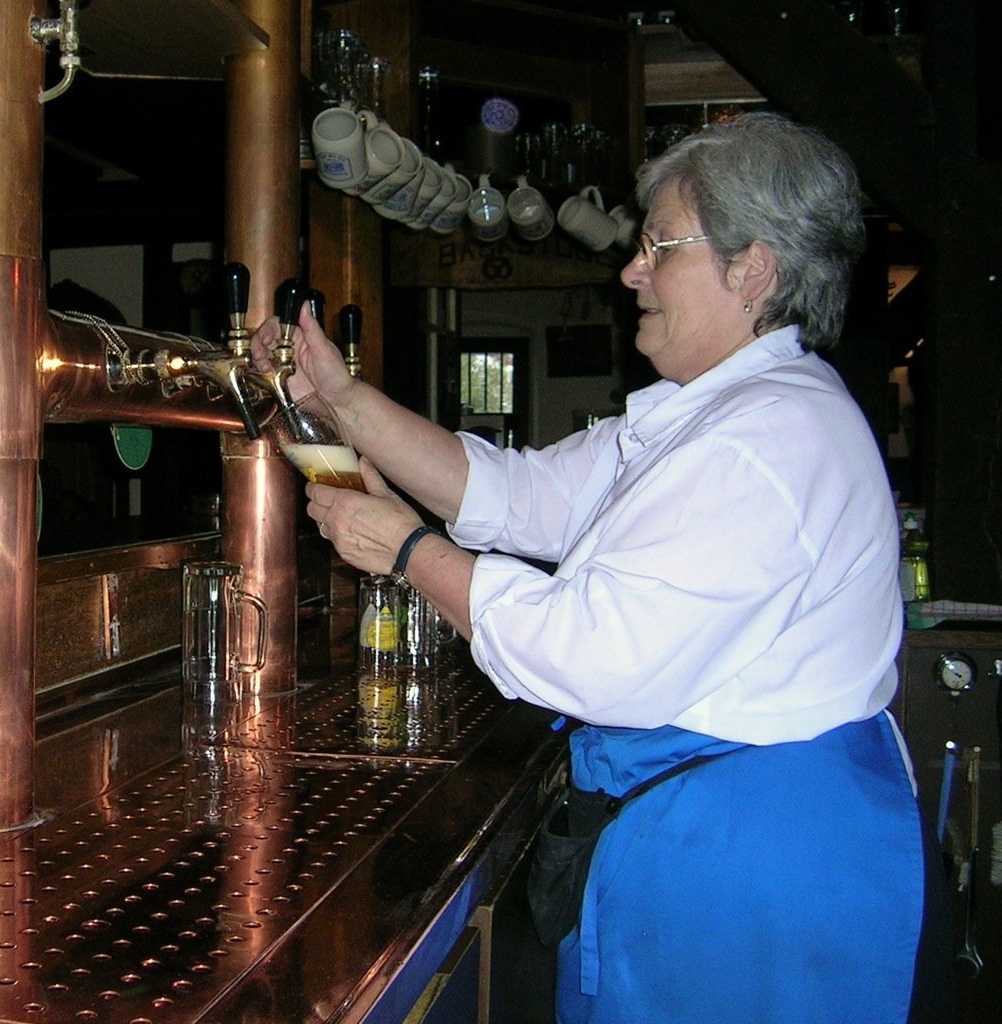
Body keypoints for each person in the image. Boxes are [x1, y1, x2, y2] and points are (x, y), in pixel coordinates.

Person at [252, 111, 952, 1024]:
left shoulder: (762, 441)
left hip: (751, 860)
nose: (631, 269)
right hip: (708, 820)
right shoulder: (718, 413)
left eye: (660, 245)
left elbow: (593, 657)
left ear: (753, 270)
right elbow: (513, 493)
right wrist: (339, 398)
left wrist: (408, 552)